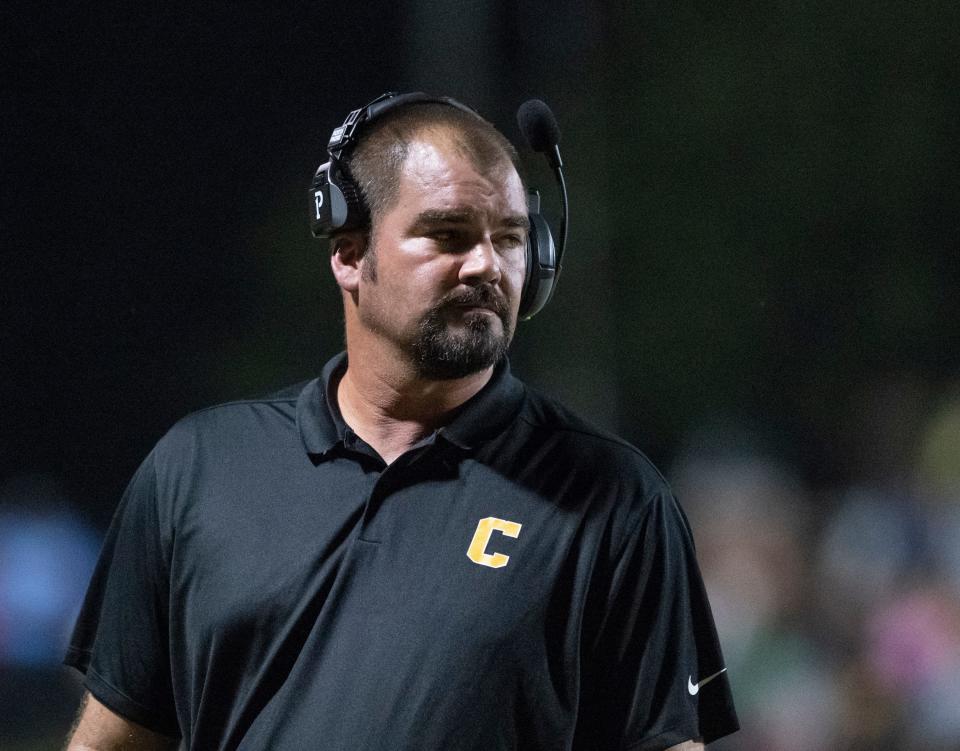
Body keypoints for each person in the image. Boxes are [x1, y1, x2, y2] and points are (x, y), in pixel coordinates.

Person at [64, 93, 739, 750]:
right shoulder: (198, 468)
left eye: (508, 237)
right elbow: (119, 735)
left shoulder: (615, 496)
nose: (486, 265)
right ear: (350, 253)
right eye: (447, 234)